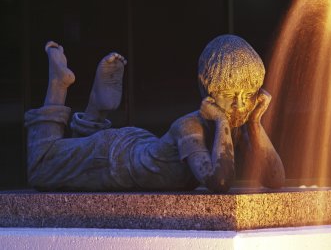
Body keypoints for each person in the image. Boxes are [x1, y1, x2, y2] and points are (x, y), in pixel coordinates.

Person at [25, 34, 285, 193]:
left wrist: (255, 123)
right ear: (207, 91)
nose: (240, 105)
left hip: (133, 151)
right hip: (114, 157)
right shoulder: (190, 127)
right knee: (41, 168)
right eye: (229, 96)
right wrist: (219, 119)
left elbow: (275, 179)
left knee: (65, 159)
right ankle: (58, 84)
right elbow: (219, 182)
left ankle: (96, 106)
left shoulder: (234, 124)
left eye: (249, 95)